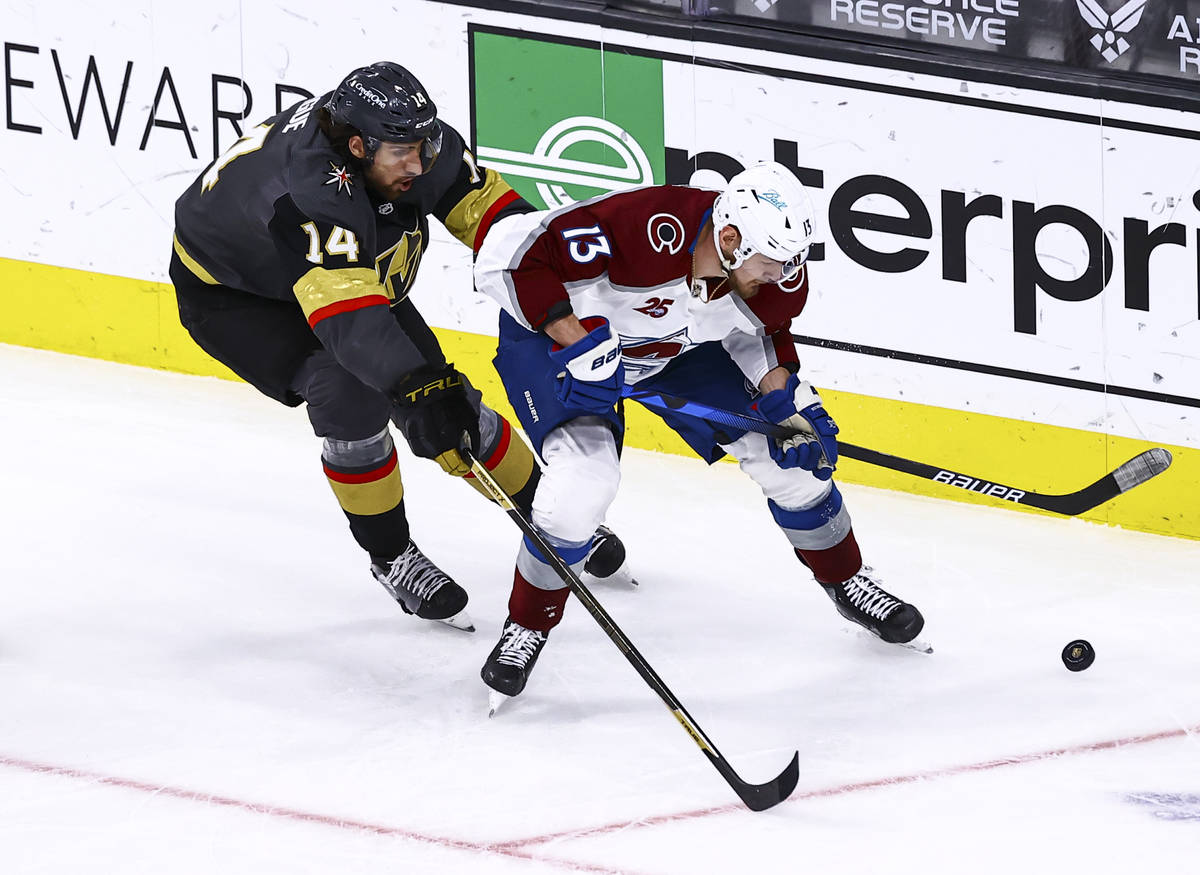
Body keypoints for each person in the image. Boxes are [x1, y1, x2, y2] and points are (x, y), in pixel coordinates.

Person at [170, 62, 628, 632]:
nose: (419, 162)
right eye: (401, 151)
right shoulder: (311, 192)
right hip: (242, 296)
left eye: (424, 144)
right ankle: (390, 556)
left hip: (346, 275)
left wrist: (550, 280)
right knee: (353, 394)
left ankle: (550, 514)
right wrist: (416, 391)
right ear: (358, 146)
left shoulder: (405, 145)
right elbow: (350, 322)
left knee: (448, 402)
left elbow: (498, 220)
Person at [473, 161, 925, 702]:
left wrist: (784, 397)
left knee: (789, 462)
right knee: (578, 491)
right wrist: (573, 341)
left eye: (789, 265)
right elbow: (504, 254)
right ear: (729, 238)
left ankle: (846, 579)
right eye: (770, 264)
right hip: (563, 345)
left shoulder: (773, 272)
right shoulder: (643, 227)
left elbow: (761, 331)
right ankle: (526, 626)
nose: (780, 277)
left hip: (676, 353)